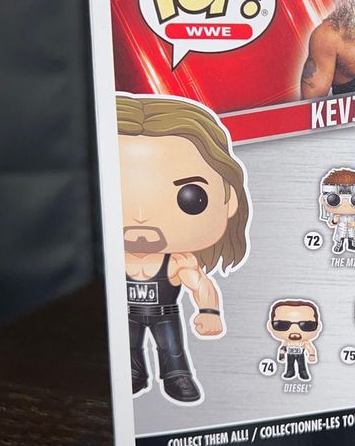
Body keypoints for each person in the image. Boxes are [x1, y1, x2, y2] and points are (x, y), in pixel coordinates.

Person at [118, 94, 250, 403]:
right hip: (125, 316)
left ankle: (176, 375)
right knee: (128, 350)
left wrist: (209, 311)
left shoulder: (178, 261)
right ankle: (133, 373)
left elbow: (200, 284)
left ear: (228, 199)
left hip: (165, 314)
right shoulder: (113, 259)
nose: (141, 218)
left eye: (190, 198)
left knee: (172, 350)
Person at [318, 167, 355, 254]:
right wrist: (335, 220)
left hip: (351, 229)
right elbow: (331, 223)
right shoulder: (336, 215)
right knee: (340, 237)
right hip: (341, 229)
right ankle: (339, 245)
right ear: (322, 200)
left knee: (351, 236)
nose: (346, 204)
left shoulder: (354, 215)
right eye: (334, 199)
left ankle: (351, 245)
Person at [267, 300, 323, 381]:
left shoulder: (305, 342)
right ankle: (290, 372)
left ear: (318, 326)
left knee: (301, 364)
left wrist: (312, 355)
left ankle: (303, 372)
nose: (294, 331)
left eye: (306, 325)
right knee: (290, 364)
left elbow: (310, 348)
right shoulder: (286, 342)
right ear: (270, 326)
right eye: (282, 325)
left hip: (301, 354)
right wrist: (281, 354)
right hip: (290, 354)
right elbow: (283, 348)